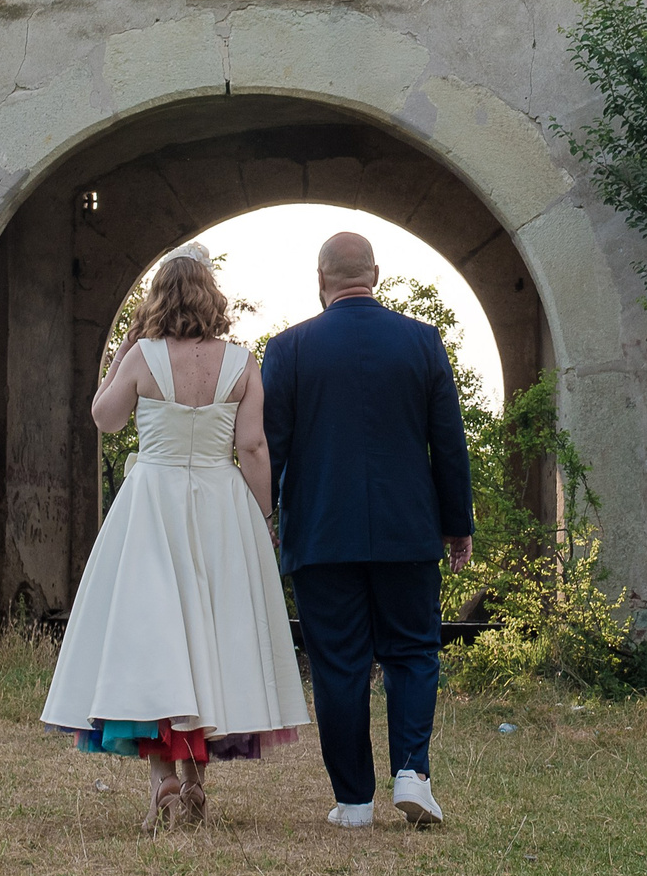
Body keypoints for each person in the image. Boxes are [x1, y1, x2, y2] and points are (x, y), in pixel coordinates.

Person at [39, 249, 310, 832]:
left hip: (153, 502)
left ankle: (162, 781)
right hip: (219, 502)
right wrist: (263, 518)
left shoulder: (141, 356)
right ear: (212, 295)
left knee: (155, 636)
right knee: (210, 636)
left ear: (157, 298)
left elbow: (104, 418)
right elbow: (254, 447)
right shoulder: (241, 361)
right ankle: (194, 783)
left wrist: (121, 356)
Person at [262, 230, 475, 830]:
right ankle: (412, 771)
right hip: (408, 530)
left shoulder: (288, 349)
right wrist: (456, 523)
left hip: (321, 533)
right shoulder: (422, 342)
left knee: (338, 664)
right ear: (375, 275)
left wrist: (262, 519)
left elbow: (268, 449)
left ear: (320, 280)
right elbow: (449, 446)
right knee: (412, 651)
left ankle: (353, 800)